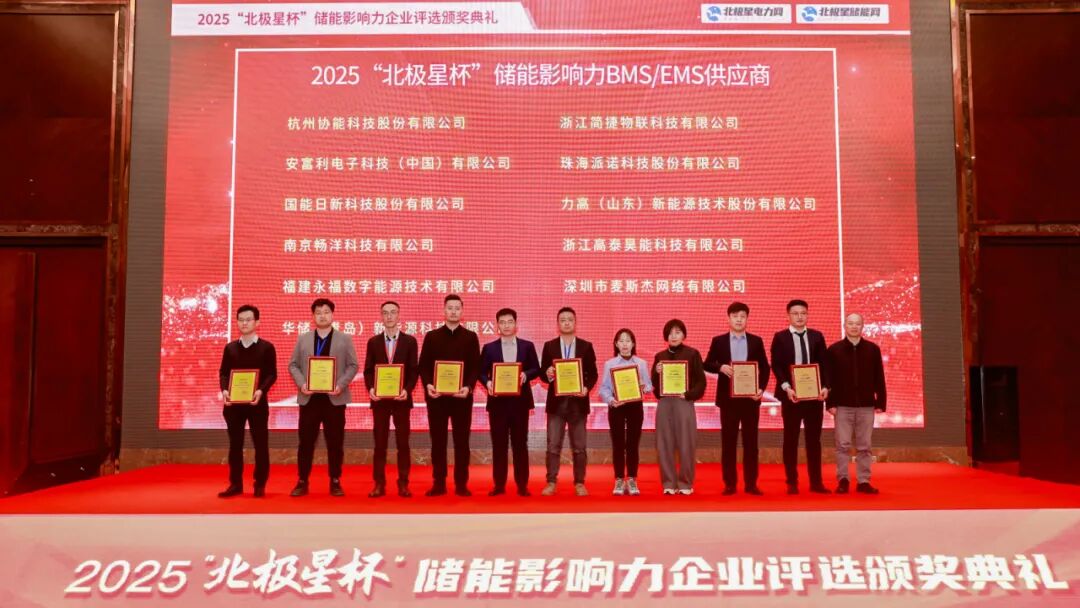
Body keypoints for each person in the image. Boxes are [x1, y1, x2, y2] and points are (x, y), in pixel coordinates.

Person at [287, 298, 359, 497]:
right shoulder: (303, 338)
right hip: (309, 399)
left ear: (332, 314)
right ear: (313, 316)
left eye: (326, 312)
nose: (322, 316)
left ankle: (335, 480)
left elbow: (353, 365)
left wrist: (340, 385)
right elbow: (293, 365)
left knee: (335, 442)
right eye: (318, 313)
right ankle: (302, 480)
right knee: (306, 442)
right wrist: (302, 384)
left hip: (334, 399)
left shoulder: (344, 339)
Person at [704, 302, 771, 496]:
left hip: (750, 400)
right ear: (728, 319)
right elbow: (707, 364)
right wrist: (720, 367)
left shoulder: (756, 341)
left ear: (747, 319)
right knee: (728, 443)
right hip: (728, 402)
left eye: (742, 316)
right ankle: (730, 484)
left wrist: (761, 389)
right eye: (735, 316)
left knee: (751, 443)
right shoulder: (719, 341)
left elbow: (765, 368)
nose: (739, 320)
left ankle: (751, 484)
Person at [418, 294, 480, 497]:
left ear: (462, 311)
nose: (453, 311)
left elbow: (475, 367)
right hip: (437, 399)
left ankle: (461, 483)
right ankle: (439, 483)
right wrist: (428, 384)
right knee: (438, 442)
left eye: (457, 308)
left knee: (462, 442)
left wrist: (468, 387)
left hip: (462, 398)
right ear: (444, 311)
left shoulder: (470, 337)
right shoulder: (432, 336)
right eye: (450, 308)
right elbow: (423, 365)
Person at [770, 299, 831, 495]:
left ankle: (816, 482)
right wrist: (787, 387)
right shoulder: (780, 337)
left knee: (814, 441)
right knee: (791, 440)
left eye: (803, 313)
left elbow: (824, 363)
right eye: (795, 313)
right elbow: (776, 365)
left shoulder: (817, 336)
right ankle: (792, 481)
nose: (799, 317)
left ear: (807, 315)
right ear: (788, 315)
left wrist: (825, 387)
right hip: (792, 396)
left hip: (814, 397)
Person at [479, 308, 541, 496]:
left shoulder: (527, 346)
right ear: (497, 325)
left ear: (516, 324)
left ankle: (522, 485)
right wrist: (488, 382)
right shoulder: (489, 348)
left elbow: (536, 369)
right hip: (498, 404)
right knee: (499, 445)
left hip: (520, 403)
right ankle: (499, 485)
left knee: (520, 444)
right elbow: (480, 372)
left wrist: (525, 375)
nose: (506, 325)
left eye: (510, 321)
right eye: (502, 322)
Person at [216, 305, 277, 498]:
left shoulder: (267, 347)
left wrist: (260, 391)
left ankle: (260, 484)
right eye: (241, 319)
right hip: (234, 405)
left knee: (260, 444)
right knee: (235, 444)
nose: (244, 323)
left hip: (257, 404)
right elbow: (224, 373)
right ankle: (235, 484)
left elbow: (271, 374)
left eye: (248, 319)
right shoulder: (230, 348)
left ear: (257, 322)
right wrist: (225, 390)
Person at [538, 307, 598, 496]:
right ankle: (551, 482)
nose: (566, 322)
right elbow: (542, 373)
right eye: (563, 320)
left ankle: (579, 483)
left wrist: (586, 388)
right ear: (558, 324)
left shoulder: (586, 346)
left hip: (578, 405)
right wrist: (547, 373)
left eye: (570, 319)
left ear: (575, 322)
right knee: (553, 446)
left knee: (579, 447)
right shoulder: (549, 346)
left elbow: (593, 374)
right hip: (556, 405)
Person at [362, 300, 419, 498]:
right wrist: (371, 388)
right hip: (380, 401)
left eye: (393, 312)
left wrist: (407, 390)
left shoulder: (410, 341)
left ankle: (403, 483)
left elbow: (414, 370)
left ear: (399, 315)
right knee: (380, 444)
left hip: (401, 400)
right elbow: (368, 370)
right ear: (381, 316)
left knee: (403, 444)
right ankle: (379, 484)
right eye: (385, 313)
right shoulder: (373, 342)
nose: (389, 316)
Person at [827, 313, 887, 494]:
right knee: (842, 445)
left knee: (865, 446)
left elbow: (879, 377)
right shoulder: (834, 350)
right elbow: (829, 379)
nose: (854, 327)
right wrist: (830, 403)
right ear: (845, 326)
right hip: (842, 406)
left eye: (857, 324)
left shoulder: (872, 349)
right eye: (850, 323)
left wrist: (881, 401)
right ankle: (843, 480)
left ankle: (864, 481)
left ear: (862, 326)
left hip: (866, 405)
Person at [651, 319, 707, 495]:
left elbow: (701, 383)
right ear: (665, 336)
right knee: (664, 445)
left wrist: (688, 394)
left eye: (677, 332)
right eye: (670, 333)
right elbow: (655, 387)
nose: (673, 336)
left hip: (684, 403)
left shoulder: (693, 354)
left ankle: (685, 484)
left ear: (684, 334)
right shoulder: (659, 357)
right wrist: (656, 373)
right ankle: (668, 483)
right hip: (664, 404)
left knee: (686, 444)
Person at [597, 328, 652, 496]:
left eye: (628, 340)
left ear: (633, 344)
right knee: (618, 444)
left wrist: (643, 387)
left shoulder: (641, 364)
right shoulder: (610, 364)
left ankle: (632, 479)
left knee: (633, 444)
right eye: (621, 341)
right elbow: (603, 389)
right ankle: (619, 479)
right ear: (616, 344)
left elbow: (650, 386)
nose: (625, 344)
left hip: (635, 406)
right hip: (617, 406)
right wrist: (611, 400)